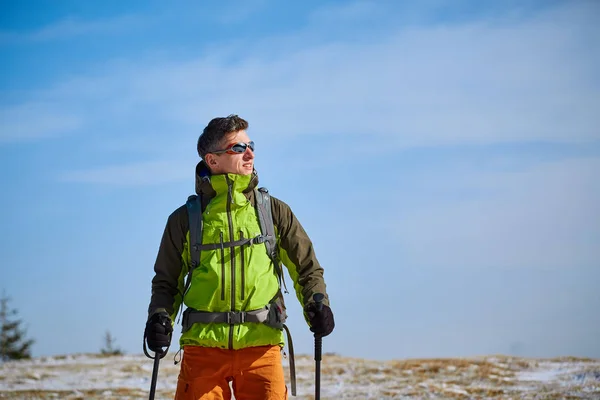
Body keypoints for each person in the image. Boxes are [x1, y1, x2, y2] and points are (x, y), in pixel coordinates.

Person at [144, 114, 335, 400]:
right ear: (212, 160)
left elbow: (307, 268)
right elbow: (166, 283)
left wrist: (317, 303)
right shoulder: (185, 219)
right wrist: (160, 318)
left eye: (251, 145)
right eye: (238, 147)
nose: (250, 153)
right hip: (202, 351)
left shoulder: (273, 212)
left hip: (262, 348)